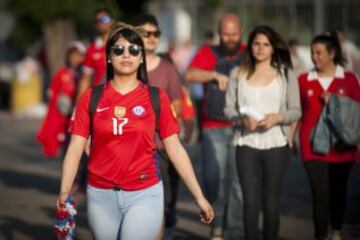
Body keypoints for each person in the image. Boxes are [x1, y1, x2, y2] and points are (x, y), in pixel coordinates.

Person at [56, 22, 214, 240]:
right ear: (109, 57)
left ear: (142, 57)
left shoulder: (156, 97)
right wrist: (65, 190)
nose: (126, 54)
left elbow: (175, 149)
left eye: (133, 49)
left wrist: (199, 196)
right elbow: (75, 149)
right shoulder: (90, 98)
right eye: (119, 50)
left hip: (145, 192)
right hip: (100, 194)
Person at [225, 25, 301, 240]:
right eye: (256, 43)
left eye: (265, 44)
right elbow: (228, 108)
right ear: (250, 46)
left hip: (276, 144)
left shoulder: (286, 74)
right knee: (249, 202)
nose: (260, 48)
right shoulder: (237, 74)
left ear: (273, 48)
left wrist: (278, 117)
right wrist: (241, 120)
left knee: (271, 203)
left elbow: (296, 110)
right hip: (246, 145)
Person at [185, 13, 246, 240]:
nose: (230, 38)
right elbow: (190, 74)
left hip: (242, 126)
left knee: (238, 182)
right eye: (226, 34)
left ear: (241, 31)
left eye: (234, 34)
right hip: (213, 127)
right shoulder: (207, 52)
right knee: (212, 178)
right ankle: (217, 221)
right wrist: (214, 75)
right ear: (219, 33)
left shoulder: (249, 52)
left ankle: (235, 230)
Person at [296, 33, 360, 240]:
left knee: (339, 193)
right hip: (311, 146)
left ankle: (337, 231)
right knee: (320, 195)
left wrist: (337, 100)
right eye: (313, 53)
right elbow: (297, 112)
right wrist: (290, 138)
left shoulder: (349, 79)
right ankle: (320, 235)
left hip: (343, 146)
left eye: (319, 53)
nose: (315, 57)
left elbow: (357, 112)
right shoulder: (304, 80)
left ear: (332, 54)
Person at [129, 14, 183, 238]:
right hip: (129, 146)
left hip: (160, 145)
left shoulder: (168, 68)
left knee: (164, 195)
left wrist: (160, 119)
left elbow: (177, 105)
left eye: (155, 34)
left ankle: (165, 229)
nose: (151, 38)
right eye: (145, 33)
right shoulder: (124, 63)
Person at [37, 41, 86, 158]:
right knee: (68, 151)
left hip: (81, 118)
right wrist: (61, 101)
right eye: (72, 56)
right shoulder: (62, 73)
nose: (75, 59)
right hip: (64, 119)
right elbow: (52, 94)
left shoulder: (85, 75)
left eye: (78, 56)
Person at [77, 7, 115, 98]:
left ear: (113, 21)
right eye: (97, 20)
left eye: (105, 19)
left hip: (122, 95)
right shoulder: (91, 49)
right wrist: (78, 104)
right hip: (100, 97)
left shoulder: (123, 44)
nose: (101, 22)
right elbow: (85, 79)